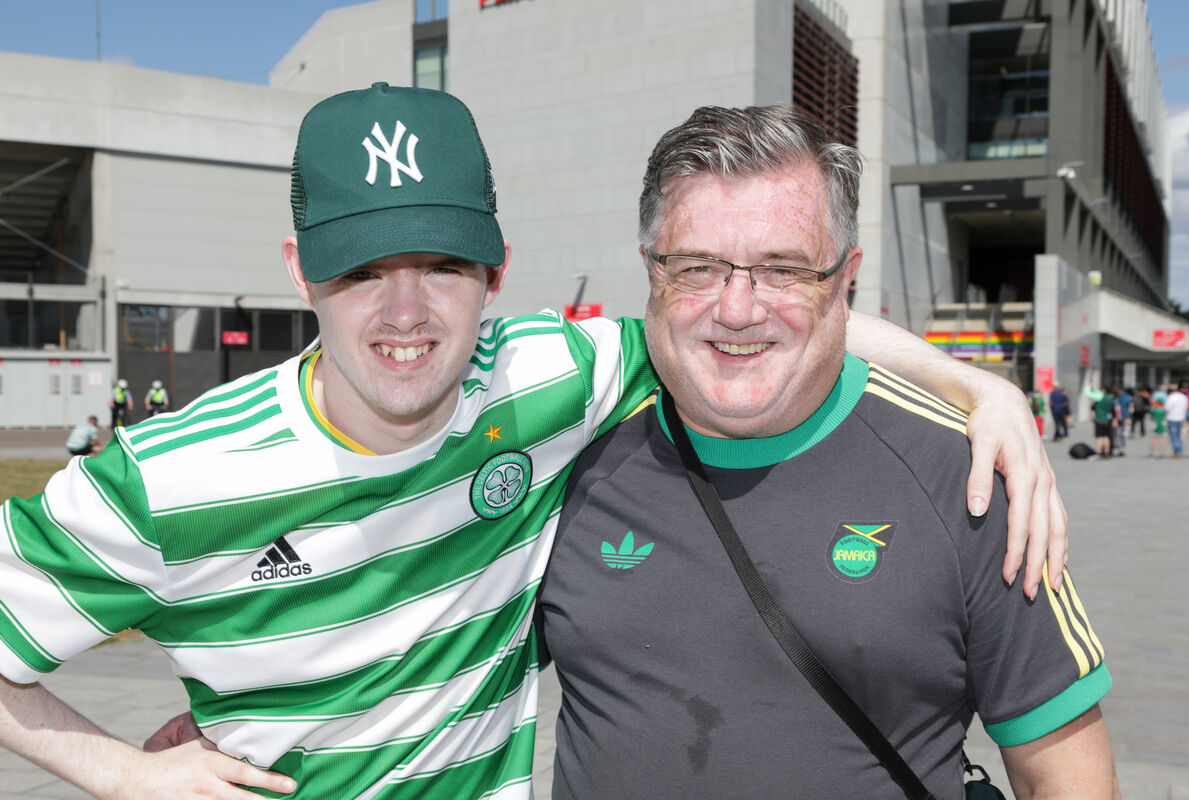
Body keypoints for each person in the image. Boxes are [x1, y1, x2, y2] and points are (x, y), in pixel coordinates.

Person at [0, 86, 1067, 800]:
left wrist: (977, 384)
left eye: (443, 266)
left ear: (497, 269)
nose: (404, 311)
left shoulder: (544, 375)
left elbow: (750, 315)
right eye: (360, 270)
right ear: (297, 268)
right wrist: (120, 771)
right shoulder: (171, 475)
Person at [538, 105, 1116, 799]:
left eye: (782, 269)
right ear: (651, 271)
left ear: (846, 278)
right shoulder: (564, 456)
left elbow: (1066, 774)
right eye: (697, 267)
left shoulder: (969, 477)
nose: (737, 308)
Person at [1086, 383, 1114, 458]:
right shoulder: (1110, 398)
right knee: (1106, 436)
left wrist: (1088, 387)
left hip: (1099, 420)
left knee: (1100, 437)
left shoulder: (1099, 398)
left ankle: (1099, 452)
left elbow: (1089, 394)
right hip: (1108, 420)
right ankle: (1107, 452)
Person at [1164, 384, 1189, 457]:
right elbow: (1186, 407)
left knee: (1174, 436)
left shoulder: (1171, 397)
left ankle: (1177, 452)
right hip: (1181, 418)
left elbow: (1167, 409)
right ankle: (1179, 450)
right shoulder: (1183, 397)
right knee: (1178, 435)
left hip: (1172, 418)